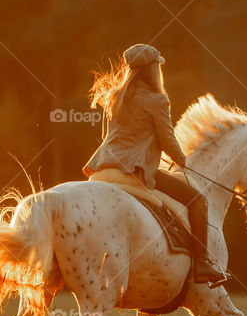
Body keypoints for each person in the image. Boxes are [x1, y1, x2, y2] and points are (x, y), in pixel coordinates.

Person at [82, 43, 231, 288]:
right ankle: (203, 263)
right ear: (153, 70)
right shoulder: (157, 100)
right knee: (198, 201)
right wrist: (182, 159)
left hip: (102, 170)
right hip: (134, 172)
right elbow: (167, 139)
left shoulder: (115, 97)